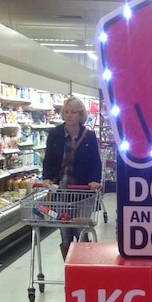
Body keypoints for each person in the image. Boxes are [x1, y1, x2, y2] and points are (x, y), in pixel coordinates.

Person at [41, 97, 102, 259]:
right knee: (65, 233)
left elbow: (95, 161)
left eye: (73, 112)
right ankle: (70, 270)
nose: (69, 115)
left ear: (80, 114)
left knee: (80, 230)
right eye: (66, 112)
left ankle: (84, 270)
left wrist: (95, 180)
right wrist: (47, 178)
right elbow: (48, 159)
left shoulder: (88, 136)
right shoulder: (55, 134)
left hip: (83, 192)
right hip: (61, 190)